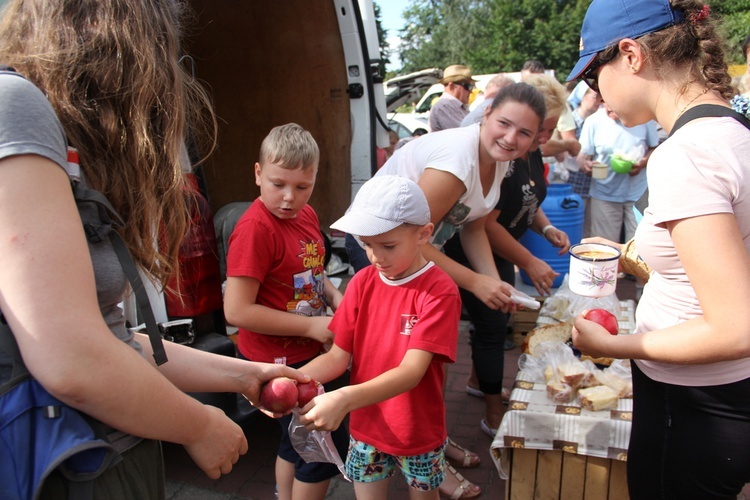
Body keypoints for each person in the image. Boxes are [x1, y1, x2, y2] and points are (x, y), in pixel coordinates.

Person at [0, 0, 310, 496]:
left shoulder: (59, 142)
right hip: (55, 461)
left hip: (94, 453)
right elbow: (71, 359)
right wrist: (198, 425)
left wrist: (246, 374)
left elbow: (110, 337)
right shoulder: (12, 103)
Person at [567, 0, 750, 497]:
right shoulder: (731, 132)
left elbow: (735, 328)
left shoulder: (684, 154)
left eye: (591, 76)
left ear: (630, 55)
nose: (595, 93)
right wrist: (629, 253)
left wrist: (610, 346)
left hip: (695, 402)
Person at [345, 82, 546, 497]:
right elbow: (415, 240)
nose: (511, 138)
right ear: (486, 115)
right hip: (382, 243)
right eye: (504, 124)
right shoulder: (457, 159)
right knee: (400, 356)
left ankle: (429, 447)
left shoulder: (499, 160)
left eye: (524, 133)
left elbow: (472, 225)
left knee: (423, 368)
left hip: (414, 248)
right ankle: (417, 451)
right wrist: (474, 280)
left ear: (535, 138)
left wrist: (493, 281)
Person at [297, 175, 468, 500]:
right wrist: (291, 380)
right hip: (366, 428)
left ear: (423, 234)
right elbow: (337, 357)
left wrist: (344, 399)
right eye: (367, 244)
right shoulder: (362, 282)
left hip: (417, 431)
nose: (375, 256)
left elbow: (410, 372)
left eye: (388, 245)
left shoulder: (439, 291)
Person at [223, 123, 348, 500]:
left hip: (306, 350)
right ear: (258, 173)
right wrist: (311, 329)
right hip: (276, 359)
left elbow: (313, 272)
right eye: (278, 184)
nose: (289, 198)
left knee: (294, 443)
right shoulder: (255, 230)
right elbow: (237, 310)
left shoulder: (305, 215)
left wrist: (334, 297)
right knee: (322, 445)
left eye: (302, 187)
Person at [447, 74, 572, 436]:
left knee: (492, 323)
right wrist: (528, 262)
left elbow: (529, 200)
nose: (543, 138)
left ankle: (477, 381)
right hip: (465, 251)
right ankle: (492, 412)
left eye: (546, 131)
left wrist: (546, 228)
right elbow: (483, 225)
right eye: (542, 130)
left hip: (490, 251)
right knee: (490, 328)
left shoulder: (529, 153)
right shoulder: (505, 155)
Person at [577, 103, 658, 243]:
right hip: (604, 194)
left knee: (639, 246)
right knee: (604, 247)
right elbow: (582, 156)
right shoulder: (593, 121)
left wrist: (642, 162)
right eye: (606, 104)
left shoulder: (644, 119)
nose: (610, 109)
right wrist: (586, 166)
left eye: (614, 105)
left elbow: (654, 148)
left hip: (637, 195)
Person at [568, 86, 604, 237]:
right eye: (594, 96)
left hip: (594, 185)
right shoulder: (570, 122)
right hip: (573, 184)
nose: (598, 101)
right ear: (582, 97)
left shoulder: (600, 121)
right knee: (573, 227)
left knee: (589, 231)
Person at [429, 64, 476, 132]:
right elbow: (465, 133)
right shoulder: (444, 106)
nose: (471, 91)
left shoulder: (456, 106)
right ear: (452, 86)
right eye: (468, 86)